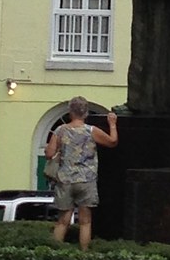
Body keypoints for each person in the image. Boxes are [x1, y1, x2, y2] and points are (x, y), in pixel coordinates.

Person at [45, 96, 118, 251]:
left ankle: (54, 253)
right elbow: (112, 142)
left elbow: (50, 153)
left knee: (62, 221)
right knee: (85, 221)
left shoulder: (60, 130)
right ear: (86, 113)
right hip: (87, 180)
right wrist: (112, 124)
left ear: (70, 112)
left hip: (65, 180)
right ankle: (84, 254)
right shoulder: (91, 131)